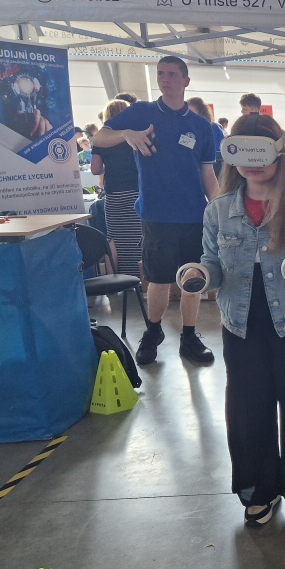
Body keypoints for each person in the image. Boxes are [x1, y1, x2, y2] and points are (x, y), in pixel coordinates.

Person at [185, 113, 285, 526]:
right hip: (241, 323)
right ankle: (258, 488)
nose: (252, 164)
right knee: (248, 409)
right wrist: (201, 275)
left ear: (279, 155)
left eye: (260, 153)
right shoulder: (218, 211)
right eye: (242, 153)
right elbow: (211, 262)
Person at [93, 55, 218, 366]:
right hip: (156, 214)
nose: (165, 79)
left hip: (193, 215)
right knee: (158, 279)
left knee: (192, 278)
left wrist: (219, 209)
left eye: (172, 74)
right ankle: (153, 332)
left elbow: (207, 173)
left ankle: (189, 337)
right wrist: (126, 134)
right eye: (161, 73)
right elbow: (98, 137)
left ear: (186, 81)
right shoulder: (141, 113)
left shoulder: (201, 126)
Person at [90, 98, 141, 275]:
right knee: (140, 236)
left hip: (114, 195)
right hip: (137, 192)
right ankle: (141, 278)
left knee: (114, 239)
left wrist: (109, 166)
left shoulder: (101, 140)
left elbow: (95, 169)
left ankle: (115, 281)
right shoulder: (135, 135)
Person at [187, 97, 225, 179]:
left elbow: (216, 151)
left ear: (202, 114)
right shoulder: (187, 130)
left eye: (192, 114)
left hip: (212, 168)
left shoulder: (214, 128)